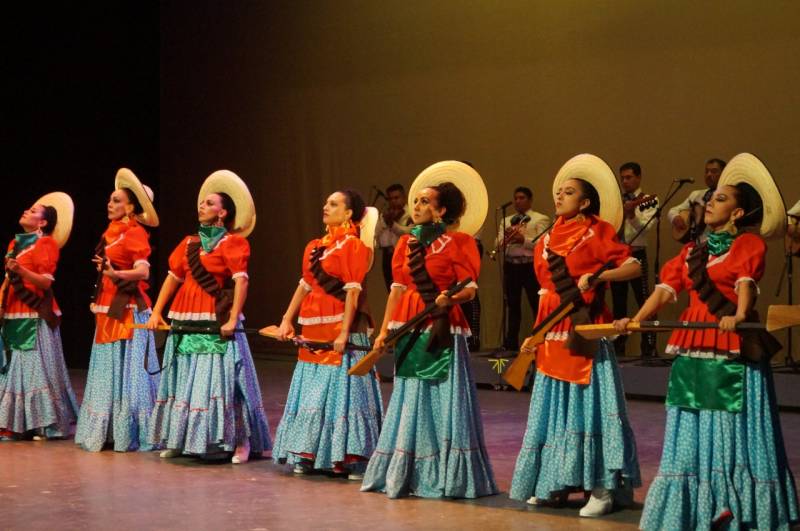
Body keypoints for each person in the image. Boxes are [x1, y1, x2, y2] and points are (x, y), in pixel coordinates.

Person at [615, 153, 799, 530]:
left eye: (720, 199)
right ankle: (693, 505)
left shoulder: (747, 245)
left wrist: (739, 314)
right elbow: (667, 290)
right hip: (693, 344)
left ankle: (732, 503)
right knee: (689, 419)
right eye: (710, 197)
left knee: (727, 422)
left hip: (729, 345)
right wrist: (635, 320)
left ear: (736, 214)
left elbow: (746, 284)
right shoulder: (690, 252)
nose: (709, 202)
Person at [509, 154, 642, 517]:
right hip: (552, 324)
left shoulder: (597, 231)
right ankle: (554, 482)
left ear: (585, 202)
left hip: (583, 325)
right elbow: (543, 288)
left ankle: (600, 487)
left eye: (568, 192)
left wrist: (599, 277)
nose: (559, 196)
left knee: (589, 406)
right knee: (555, 407)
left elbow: (633, 266)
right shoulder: (547, 236)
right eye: (558, 191)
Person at [361, 161, 497, 499]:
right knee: (410, 396)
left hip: (443, 327)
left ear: (441, 210)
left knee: (441, 395)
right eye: (416, 201)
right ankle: (407, 468)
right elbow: (397, 288)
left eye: (425, 202)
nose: (416, 206)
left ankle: (446, 474)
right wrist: (382, 331)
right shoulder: (405, 245)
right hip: (409, 325)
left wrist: (449, 297)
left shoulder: (459, 242)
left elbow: (470, 288)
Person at [146, 170, 271, 464]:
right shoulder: (188, 242)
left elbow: (242, 281)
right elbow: (172, 278)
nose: (202, 205)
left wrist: (232, 319)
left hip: (215, 318)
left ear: (223, 212)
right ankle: (180, 438)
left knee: (226, 381)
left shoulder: (233, 243)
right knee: (184, 377)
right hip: (185, 316)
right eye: (202, 202)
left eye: (209, 203)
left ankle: (240, 441)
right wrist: (156, 312)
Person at [272, 190, 383, 479]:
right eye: (326, 203)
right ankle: (307, 452)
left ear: (349, 214)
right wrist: (286, 319)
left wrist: (345, 331)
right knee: (311, 391)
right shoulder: (313, 247)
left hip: (340, 328)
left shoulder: (355, 247)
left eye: (333, 204)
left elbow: (353, 291)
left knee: (341, 393)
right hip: (313, 327)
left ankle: (348, 456)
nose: (325, 207)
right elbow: (305, 285)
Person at [75, 169, 161, 452]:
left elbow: (143, 272)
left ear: (131, 207)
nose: (109, 204)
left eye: (116, 200)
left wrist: (116, 273)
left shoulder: (135, 233)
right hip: (106, 307)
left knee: (128, 371)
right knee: (108, 369)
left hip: (127, 310)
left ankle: (127, 431)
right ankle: (108, 429)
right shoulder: (110, 233)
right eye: (110, 200)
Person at [0, 193, 79, 440]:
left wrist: (21, 270)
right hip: (13, 312)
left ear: (43, 223)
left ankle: (43, 423)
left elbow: (45, 283)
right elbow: (7, 280)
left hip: (35, 314)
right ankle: (15, 421)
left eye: (33, 211)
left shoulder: (46, 245)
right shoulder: (14, 245)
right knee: (13, 367)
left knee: (34, 369)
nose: (26, 211)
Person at [494, 186, 550, 351]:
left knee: (536, 303)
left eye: (522, 198)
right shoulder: (506, 220)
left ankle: (541, 340)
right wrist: (505, 239)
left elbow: (543, 244)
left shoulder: (540, 219)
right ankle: (510, 342)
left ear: (530, 200)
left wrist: (523, 240)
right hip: (511, 265)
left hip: (530, 265)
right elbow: (496, 245)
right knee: (512, 304)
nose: (518, 201)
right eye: (516, 198)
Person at [611, 162, 657, 358]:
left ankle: (648, 348)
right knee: (618, 303)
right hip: (616, 255)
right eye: (622, 178)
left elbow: (646, 228)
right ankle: (617, 349)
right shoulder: (615, 200)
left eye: (629, 177)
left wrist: (631, 215)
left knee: (644, 300)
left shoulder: (648, 200)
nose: (625, 181)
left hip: (637, 253)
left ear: (638, 177)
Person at [668, 158, 726, 241]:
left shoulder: (727, 197)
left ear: (724, 174)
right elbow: (672, 210)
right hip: (697, 245)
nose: (709, 174)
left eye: (714, 171)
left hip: (719, 244)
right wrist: (676, 218)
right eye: (706, 171)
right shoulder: (697, 194)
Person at [375, 184, 412, 291]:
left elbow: (408, 232)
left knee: (403, 288)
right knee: (390, 289)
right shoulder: (386, 214)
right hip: (387, 255)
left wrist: (392, 224)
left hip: (404, 255)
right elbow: (376, 233)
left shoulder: (410, 213)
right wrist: (384, 222)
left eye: (396, 198)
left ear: (404, 197)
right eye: (390, 198)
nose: (393, 201)